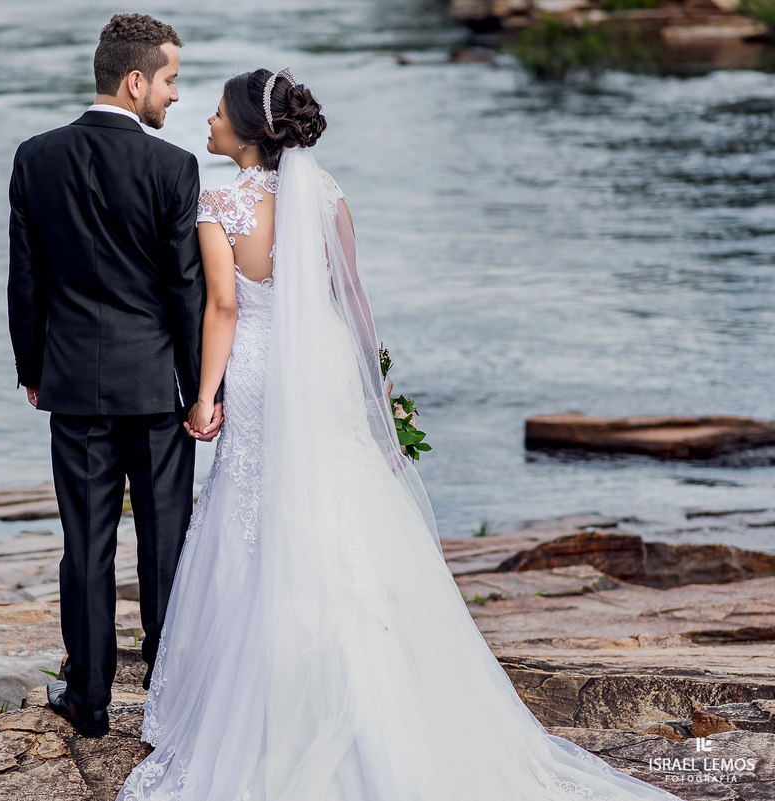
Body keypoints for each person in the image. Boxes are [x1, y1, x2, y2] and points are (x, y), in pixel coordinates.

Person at [116, 68, 684, 801]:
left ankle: (265, 701)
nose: (209, 122)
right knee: (343, 501)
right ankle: (387, 683)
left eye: (219, 113)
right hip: (324, 363)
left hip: (259, 370)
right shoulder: (326, 194)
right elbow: (352, 296)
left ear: (248, 131)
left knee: (251, 506)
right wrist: (372, 386)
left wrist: (202, 397)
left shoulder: (218, 204)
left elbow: (222, 308)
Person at [7, 13, 223, 739]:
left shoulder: (36, 157)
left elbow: (26, 278)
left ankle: (89, 698)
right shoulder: (173, 168)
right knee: (165, 544)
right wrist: (201, 391)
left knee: (86, 544)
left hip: (73, 385)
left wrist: (33, 368)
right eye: (170, 81)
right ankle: (169, 695)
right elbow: (186, 291)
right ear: (135, 82)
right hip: (158, 391)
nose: (175, 96)